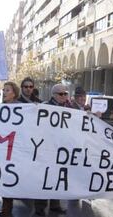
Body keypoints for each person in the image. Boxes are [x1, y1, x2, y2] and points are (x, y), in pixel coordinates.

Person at [35, 84, 69, 216]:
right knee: (44, 178)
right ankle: (39, 208)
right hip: (47, 148)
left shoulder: (68, 108)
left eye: (65, 93)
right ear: (54, 95)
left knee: (56, 177)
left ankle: (55, 205)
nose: (64, 96)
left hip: (61, 149)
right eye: (61, 94)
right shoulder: (45, 106)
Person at [0, 82, 21, 217]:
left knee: (9, 178)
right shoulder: (1, 108)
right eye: (3, 90)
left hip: (14, 150)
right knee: (3, 178)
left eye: (7, 90)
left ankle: (7, 209)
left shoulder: (21, 108)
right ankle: (5, 206)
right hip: (2, 149)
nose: (4, 92)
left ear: (14, 93)